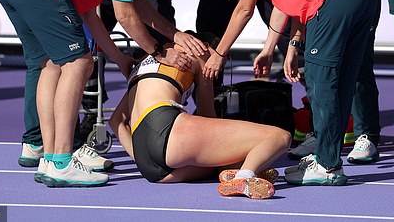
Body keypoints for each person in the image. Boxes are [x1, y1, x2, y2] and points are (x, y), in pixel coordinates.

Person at [0, 0, 206, 187]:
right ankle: (61, 161)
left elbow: (93, 14)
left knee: (51, 64)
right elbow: (126, 14)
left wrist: (120, 57)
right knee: (79, 62)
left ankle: (50, 156)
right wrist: (158, 51)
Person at [203, 0, 378, 186]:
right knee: (343, 79)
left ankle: (327, 165)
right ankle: (327, 157)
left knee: (322, 80)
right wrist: (288, 47)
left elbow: (245, 8)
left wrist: (220, 53)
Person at [108, 33, 290, 199]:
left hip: (150, 165)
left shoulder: (148, 60)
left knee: (220, 162)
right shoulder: (200, 53)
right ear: (206, 46)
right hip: (165, 124)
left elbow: (116, 121)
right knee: (279, 137)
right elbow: (207, 114)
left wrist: (140, 156)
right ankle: (244, 176)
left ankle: (237, 170)